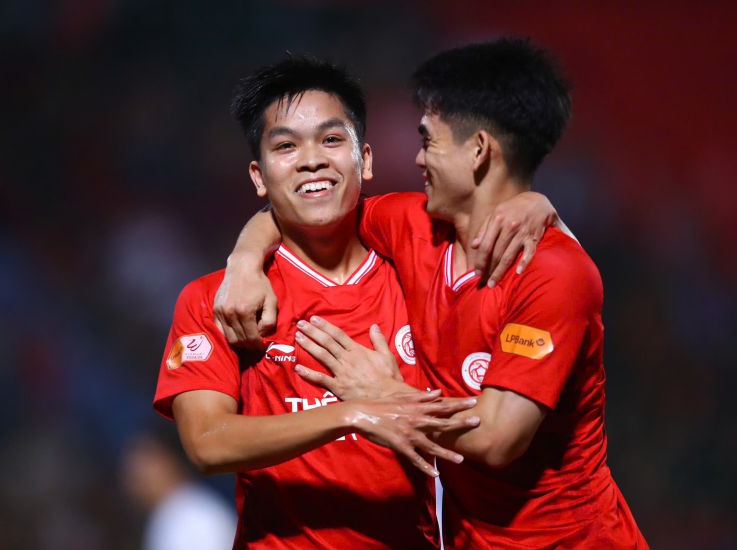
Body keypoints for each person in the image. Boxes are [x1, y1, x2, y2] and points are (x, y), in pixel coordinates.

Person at [216, 39, 648, 548]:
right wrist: (244, 261)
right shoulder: (413, 227)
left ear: (480, 150)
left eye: (429, 141)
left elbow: (496, 437)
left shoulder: (554, 272)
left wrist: (384, 396)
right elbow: (306, 206)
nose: (418, 158)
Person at [154, 56, 557, 549]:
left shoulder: (420, 272)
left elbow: (503, 226)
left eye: (330, 139)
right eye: (286, 146)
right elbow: (207, 443)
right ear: (259, 177)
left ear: (364, 159)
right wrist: (353, 413)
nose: (311, 159)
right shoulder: (223, 299)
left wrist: (535, 204)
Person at [121, 429, 237, 550]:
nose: (136, 478)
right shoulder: (168, 515)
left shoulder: (195, 515)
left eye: (144, 466)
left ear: (169, 460)